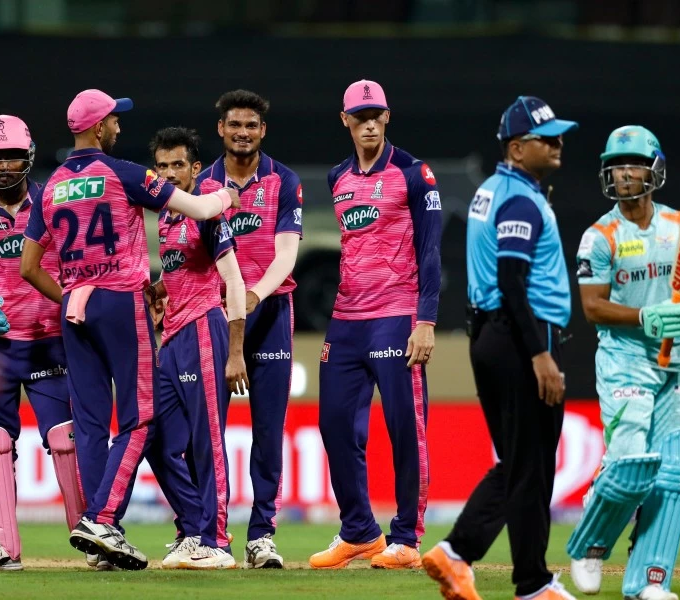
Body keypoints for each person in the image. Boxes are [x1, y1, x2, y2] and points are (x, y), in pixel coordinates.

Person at [20, 89, 239, 570]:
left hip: (75, 308)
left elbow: (28, 267)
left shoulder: (50, 186)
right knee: (141, 418)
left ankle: (105, 537)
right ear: (98, 128)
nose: (119, 127)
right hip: (121, 301)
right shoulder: (124, 173)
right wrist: (228, 194)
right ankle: (101, 519)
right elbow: (200, 209)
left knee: (91, 425)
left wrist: (72, 295)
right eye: (115, 120)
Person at [422, 96, 577, 600]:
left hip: (490, 334)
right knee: (529, 464)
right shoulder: (520, 200)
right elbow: (512, 279)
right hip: (521, 336)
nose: (557, 143)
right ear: (516, 147)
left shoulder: (491, 190)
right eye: (545, 138)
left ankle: (480, 561)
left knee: (521, 463)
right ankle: (518, 577)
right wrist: (539, 354)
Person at [310, 79, 441, 570]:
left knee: (405, 426)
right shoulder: (337, 177)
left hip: (397, 314)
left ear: (387, 117)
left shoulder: (413, 173)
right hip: (346, 319)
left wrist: (425, 320)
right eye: (359, 117)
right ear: (345, 120)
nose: (368, 124)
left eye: (375, 116)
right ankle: (360, 532)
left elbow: (430, 251)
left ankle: (405, 537)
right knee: (333, 423)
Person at [0, 115, 85, 571]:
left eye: (10, 156)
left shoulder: (54, 203)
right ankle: (0, 545)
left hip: (50, 341)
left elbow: (83, 261)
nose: (3, 166)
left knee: (67, 439)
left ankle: (95, 537)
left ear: (27, 157)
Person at [568, 125, 680, 600]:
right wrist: (644, 316)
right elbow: (592, 306)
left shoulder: (678, 227)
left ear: (654, 170)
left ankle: (647, 581)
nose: (623, 174)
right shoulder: (600, 237)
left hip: (676, 364)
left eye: (633, 164)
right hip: (625, 360)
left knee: (674, 476)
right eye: (616, 166)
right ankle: (591, 544)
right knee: (633, 463)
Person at [195, 89, 302, 569]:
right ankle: (207, 533)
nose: (243, 132)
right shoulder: (201, 184)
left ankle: (262, 536)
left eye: (251, 125)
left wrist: (254, 295)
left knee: (269, 431)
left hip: (272, 312)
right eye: (235, 124)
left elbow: (287, 254)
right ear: (221, 129)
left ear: (263, 131)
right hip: (214, 316)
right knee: (207, 431)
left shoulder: (284, 180)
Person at [143, 126, 249, 569]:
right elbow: (181, 272)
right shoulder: (166, 217)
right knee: (155, 438)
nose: (170, 174)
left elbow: (234, 282)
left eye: (178, 165)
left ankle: (216, 541)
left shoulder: (208, 212)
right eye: (162, 166)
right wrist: (160, 287)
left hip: (205, 330)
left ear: (195, 168)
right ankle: (192, 527)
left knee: (207, 441)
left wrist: (236, 352)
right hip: (171, 338)